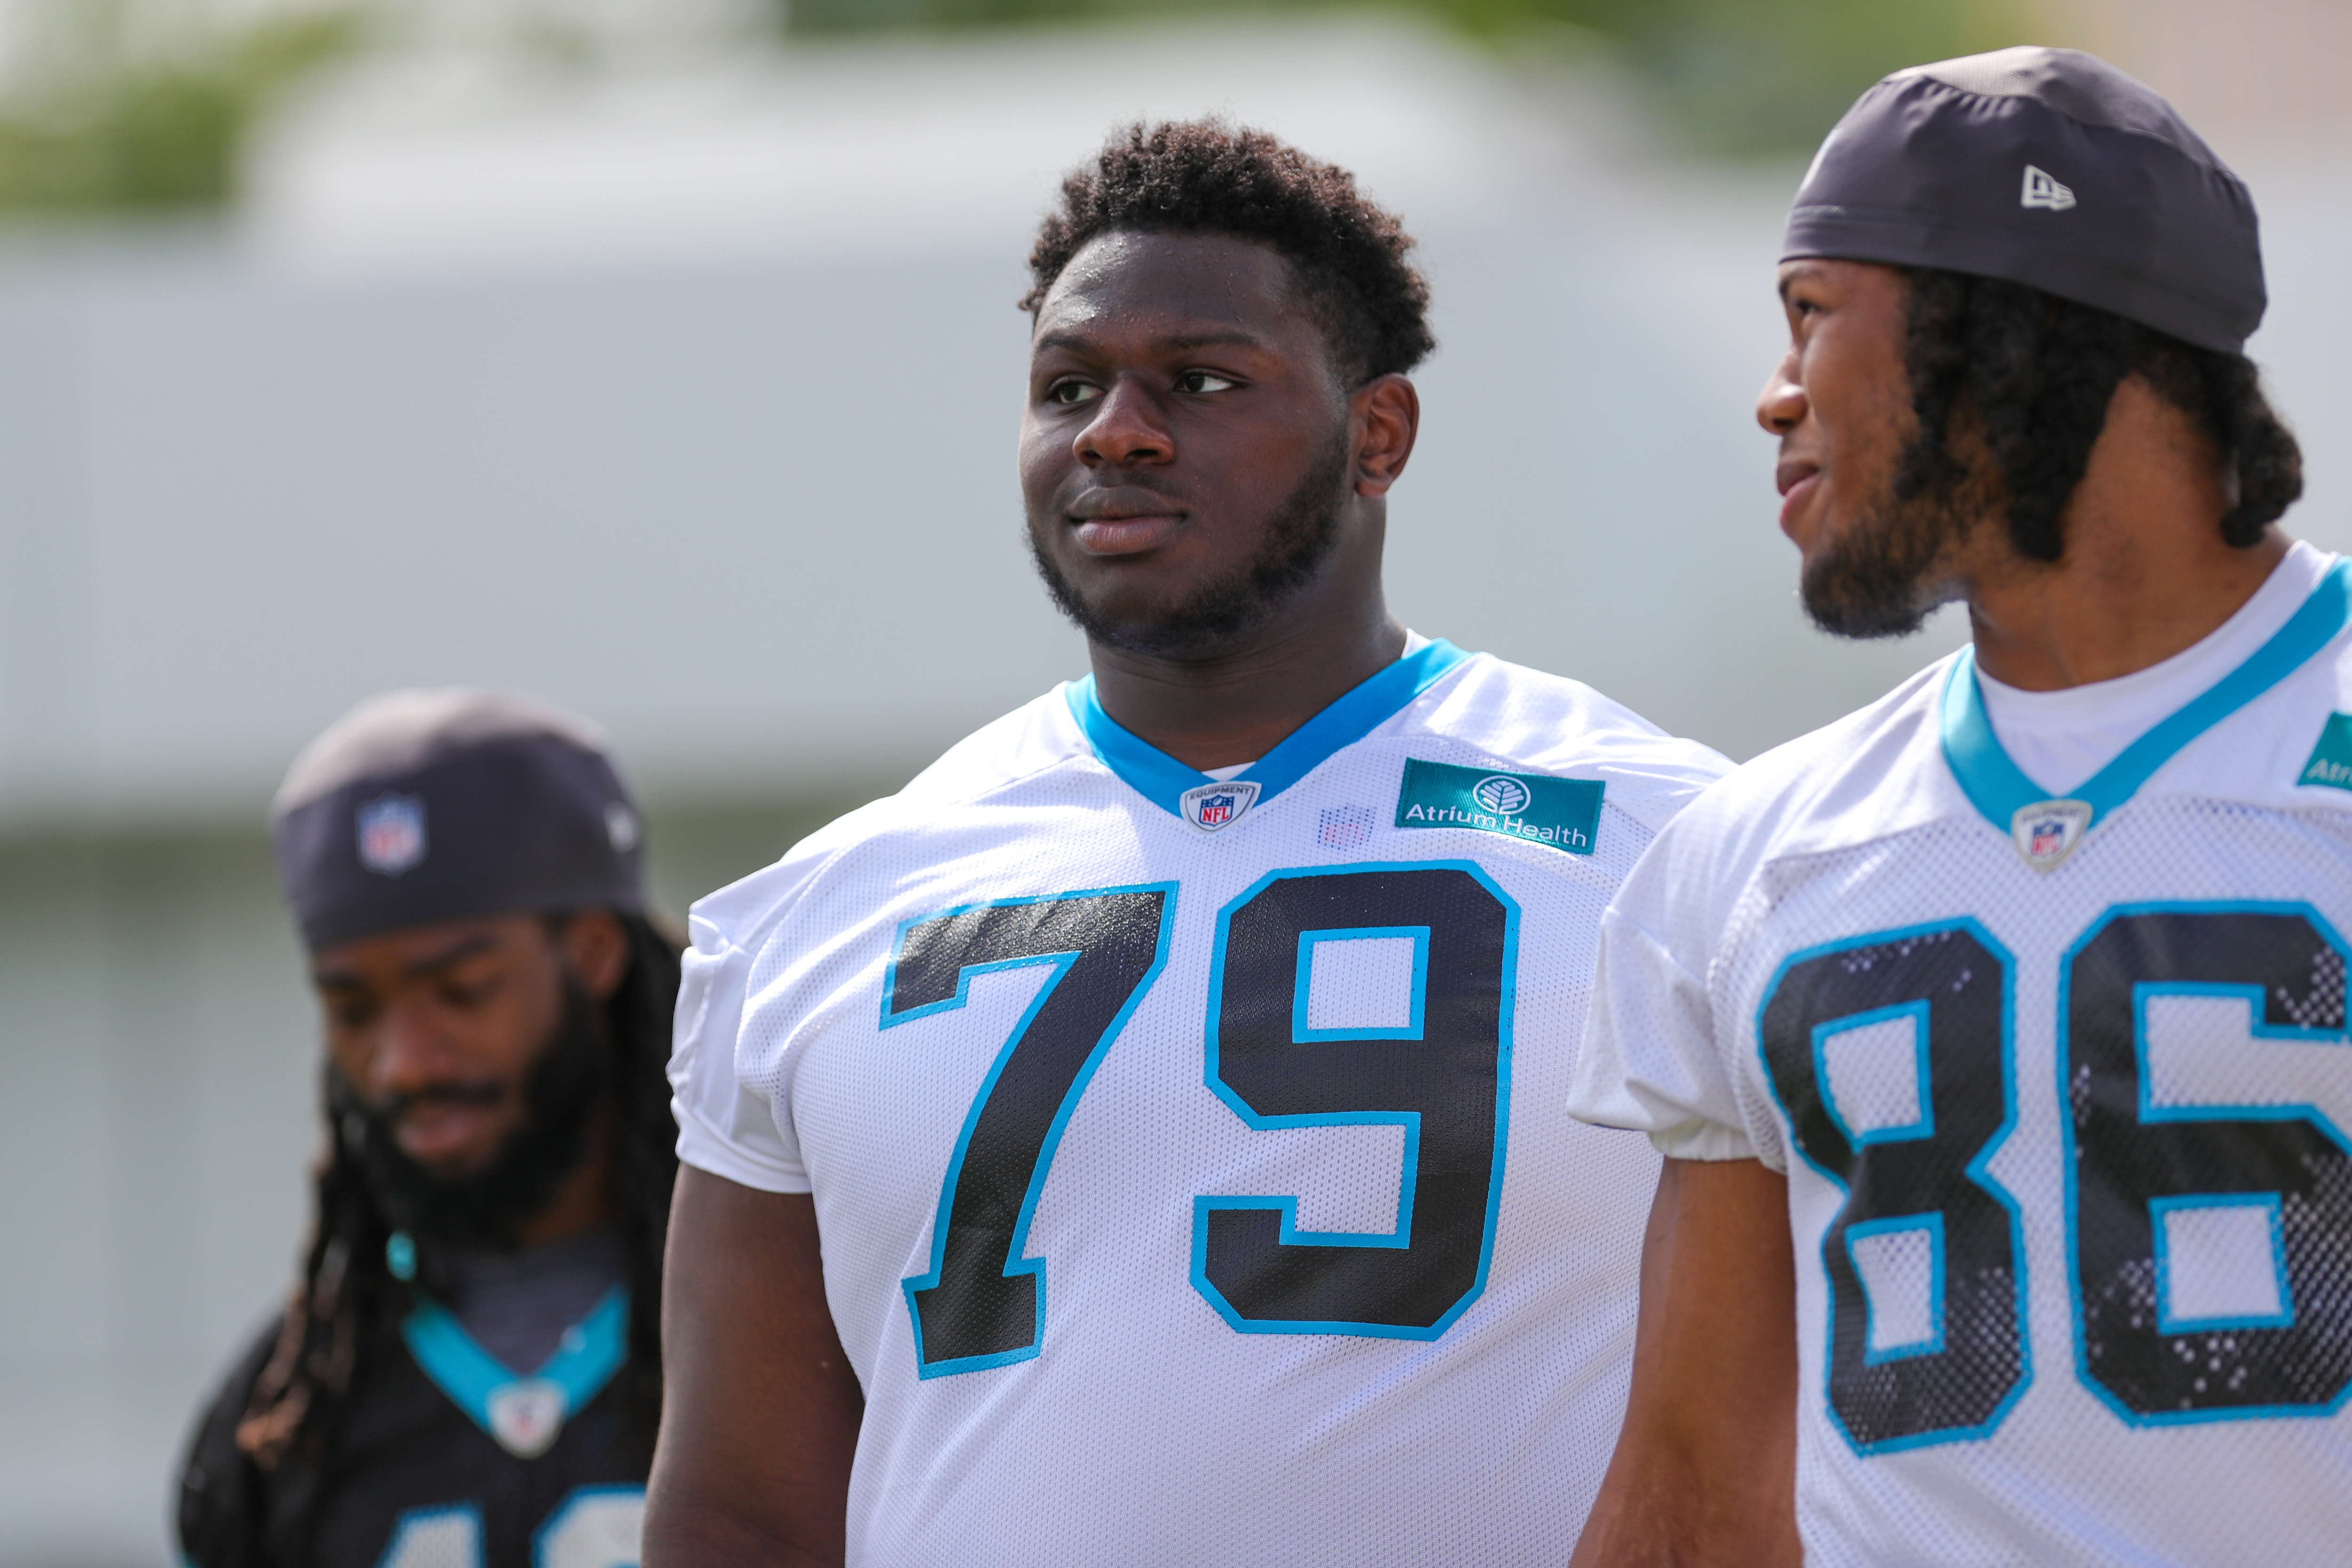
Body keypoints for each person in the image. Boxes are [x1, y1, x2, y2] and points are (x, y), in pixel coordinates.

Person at [647, 119, 1729, 1565]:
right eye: (1068, 386)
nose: (1117, 431)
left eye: (1202, 380)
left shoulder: (1675, 842)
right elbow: (740, 1509)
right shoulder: (821, 908)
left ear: (1381, 433)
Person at [1566, 45, 2347, 1567]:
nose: (1773, 394)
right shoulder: (1749, 853)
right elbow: (1697, 1497)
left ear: (2015, 332)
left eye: (1811, 314)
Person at [178, 689, 683, 1567]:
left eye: (463, 990)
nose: (403, 1063)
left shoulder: (783, 1332)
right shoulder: (285, 1414)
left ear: (596, 951)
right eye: (354, 1007)